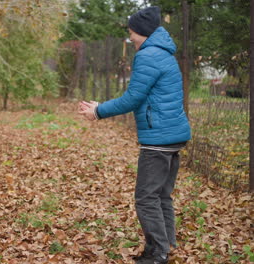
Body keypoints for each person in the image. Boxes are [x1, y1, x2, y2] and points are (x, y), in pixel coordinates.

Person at [78, 6, 191, 264]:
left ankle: (158, 253)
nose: (130, 38)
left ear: (143, 32)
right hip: (172, 135)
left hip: (159, 138)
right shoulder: (163, 53)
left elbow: (133, 98)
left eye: (132, 32)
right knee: (161, 194)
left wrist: (98, 112)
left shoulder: (148, 55)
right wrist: (99, 108)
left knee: (146, 197)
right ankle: (166, 243)